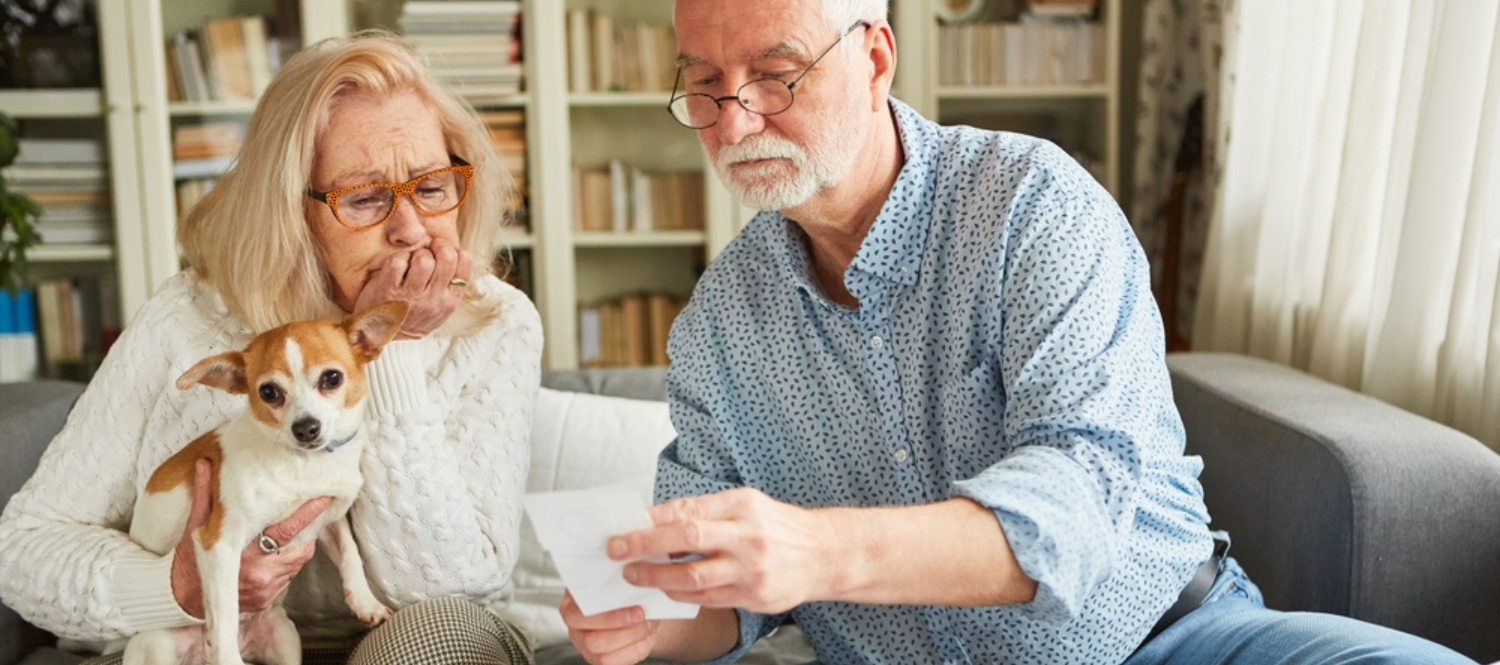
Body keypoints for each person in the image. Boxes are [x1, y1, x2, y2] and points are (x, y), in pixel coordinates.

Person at [557, 1, 1478, 665]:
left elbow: (1074, 507)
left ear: (874, 59)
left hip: (1171, 640)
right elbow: (722, 603)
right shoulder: (719, 323)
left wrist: (814, 548)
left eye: (775, 74)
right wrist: (651, 623)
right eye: (704, 85)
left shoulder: (1031, 206)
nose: (735, 119)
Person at [0, 33, 541, 665]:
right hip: (192, 640)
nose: (410, 228)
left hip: (394, 643)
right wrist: (176, 589)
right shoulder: (188, 318)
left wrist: (386, 343)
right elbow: (22, 551)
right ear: (291, 211)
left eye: (431, 186)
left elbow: (456, 590)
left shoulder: (500, 324)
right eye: (364, 198)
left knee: (440, 638)